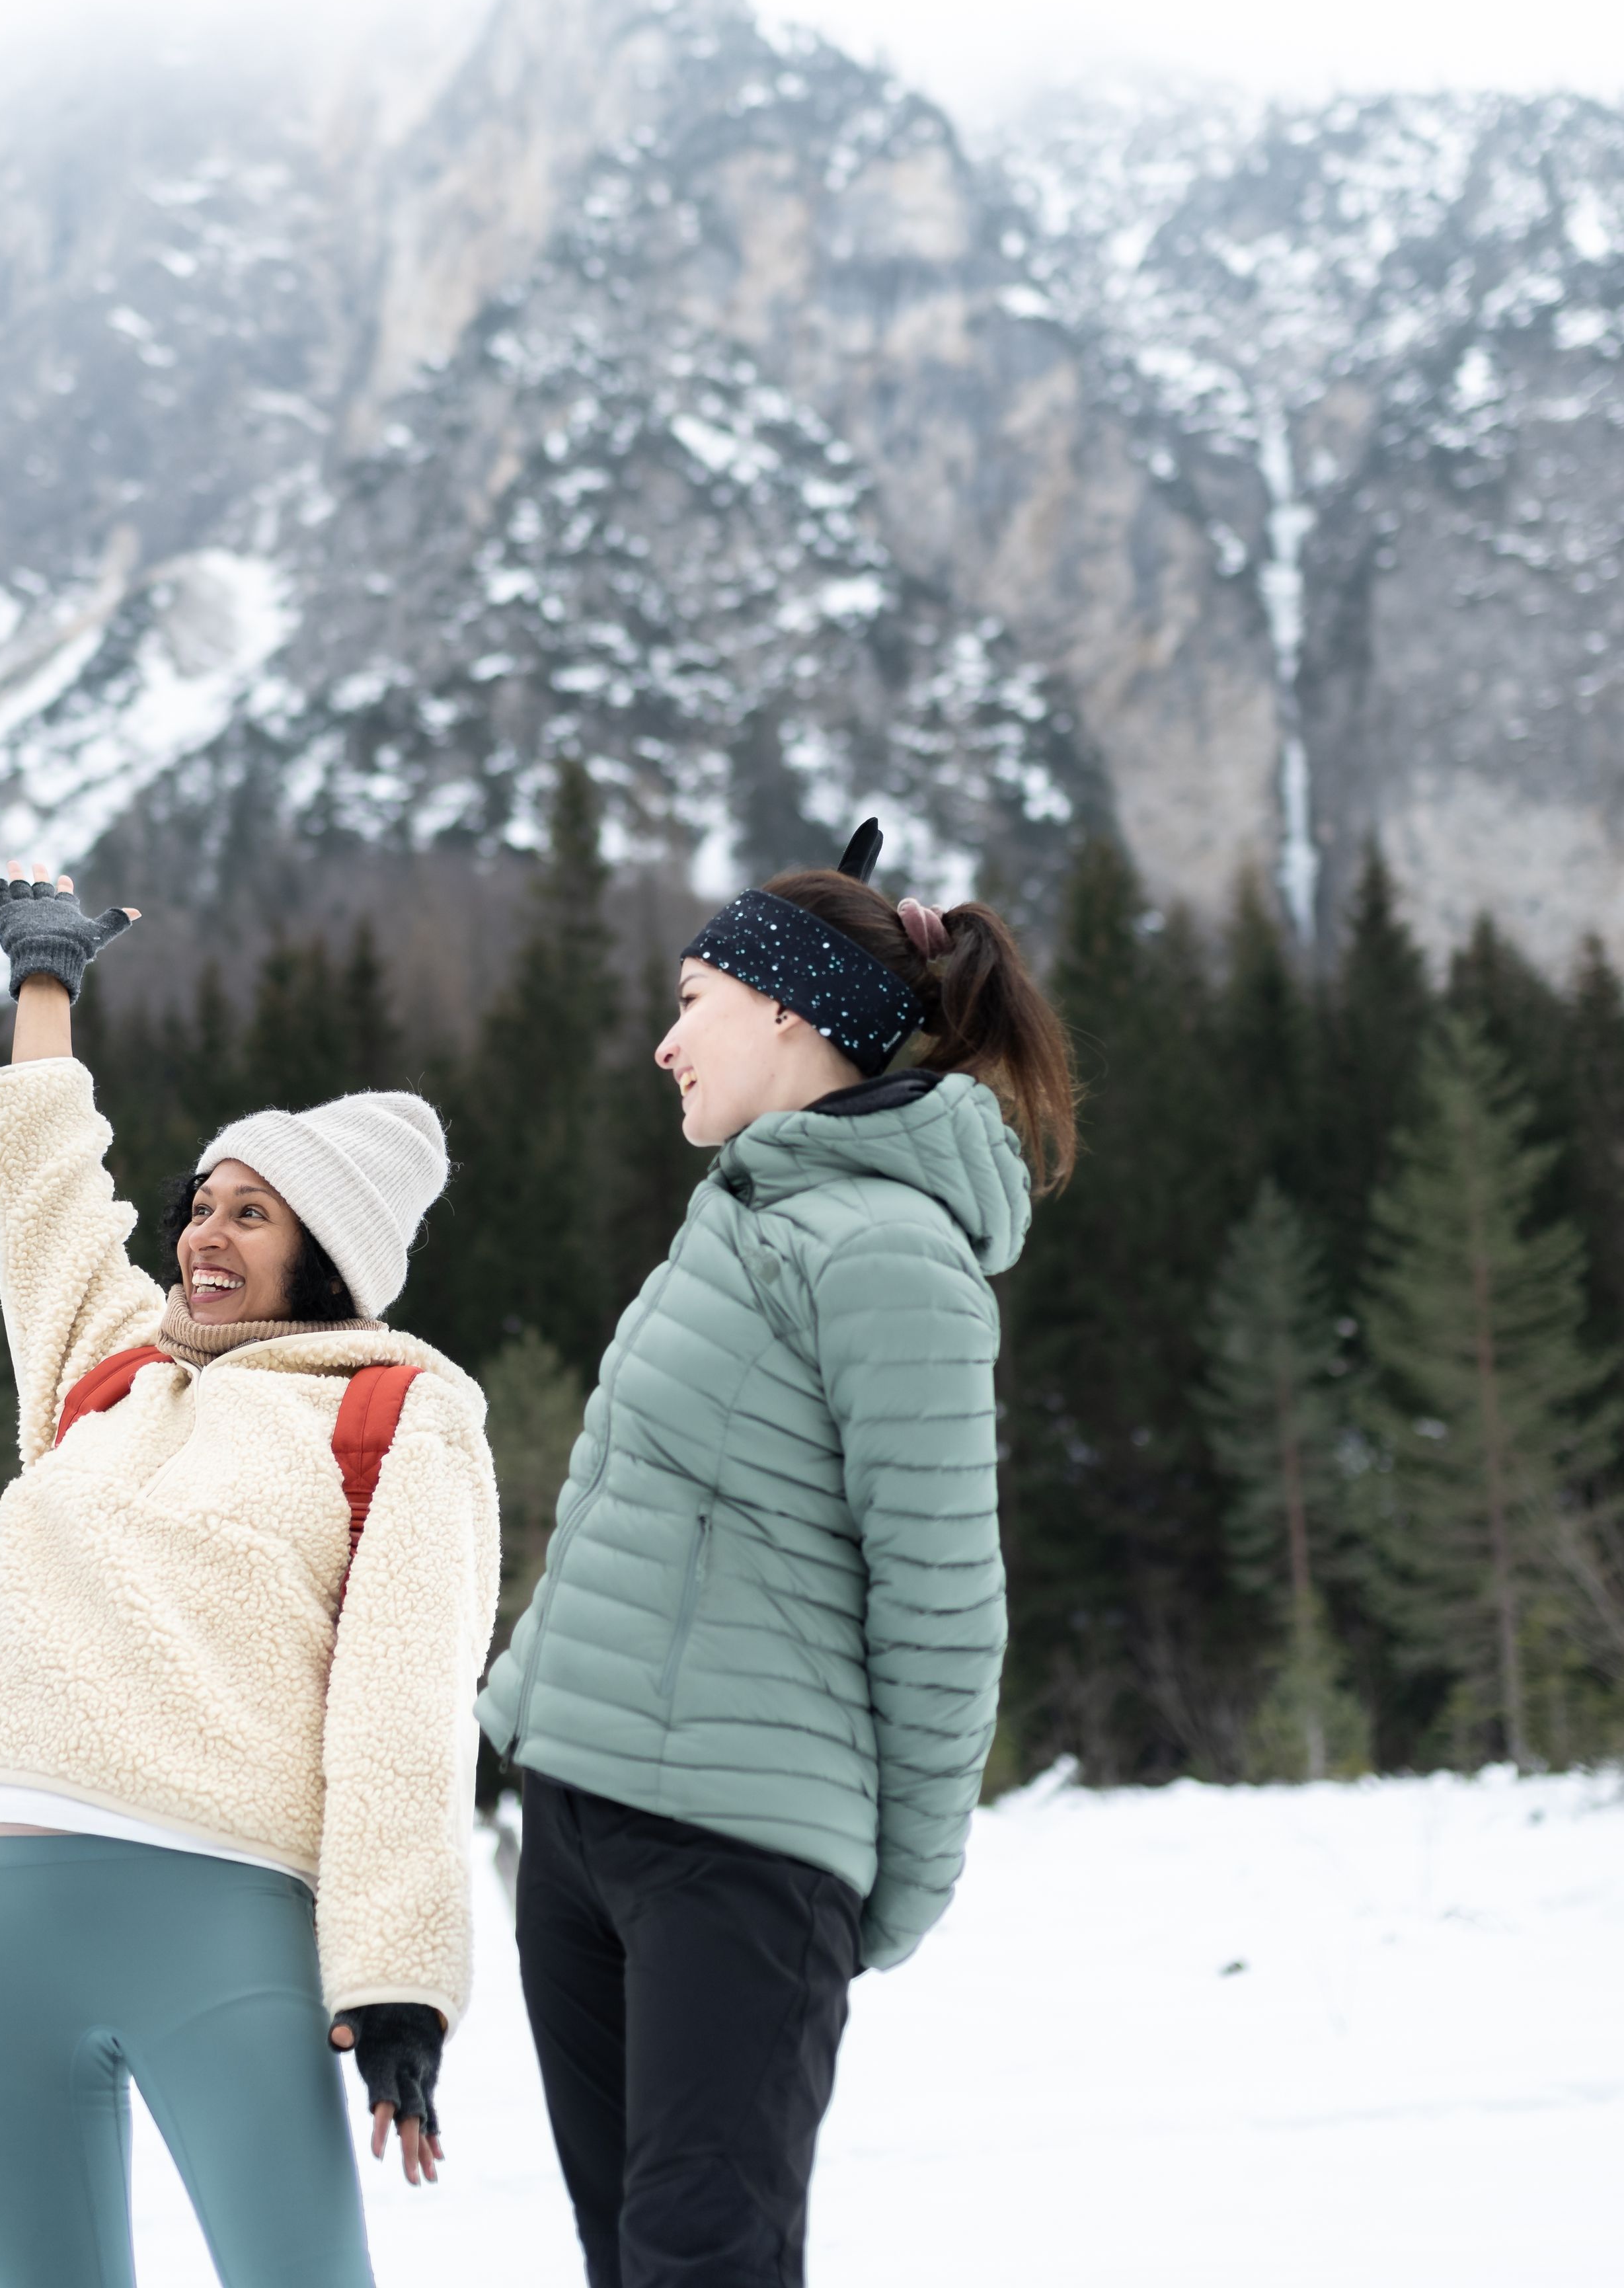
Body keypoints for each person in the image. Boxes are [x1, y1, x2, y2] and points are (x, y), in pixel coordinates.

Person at [0, 866, 499, 2288]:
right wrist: (46, 984)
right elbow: (44, 1192)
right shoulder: (112, 1372)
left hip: (218, 1909)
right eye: (201, 1204)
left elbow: (404, 1712)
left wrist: (400, 1977)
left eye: (253, 1215)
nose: (204, 1234)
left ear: (329, 1256)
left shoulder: (395, 1412)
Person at [479, 820, 1072, 2288]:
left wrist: (900, 1883)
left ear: (795, 1010)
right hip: (582, 1818)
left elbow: (941, 1603)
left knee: (706, 2260)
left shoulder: (892, 1255)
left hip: (739, 1855)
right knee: (627, 2257)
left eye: (693, 1002)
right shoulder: (745, 1213)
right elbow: (634, 1498)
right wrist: (515, 1719)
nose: (666, 1044)